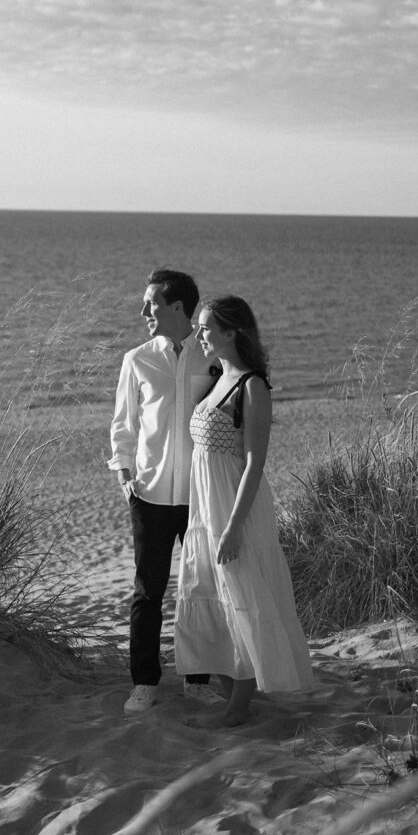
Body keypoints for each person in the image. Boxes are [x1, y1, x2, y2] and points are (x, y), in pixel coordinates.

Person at [174, 295, 314, 728]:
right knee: (204, 596)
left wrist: (233, 527)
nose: (199, 334)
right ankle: (231, 692)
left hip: (235, 508)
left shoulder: (251, 386)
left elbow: (255, 461)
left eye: (206, 328)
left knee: (242, 597)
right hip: (203, 510)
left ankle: (238, 708)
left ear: (231, 333)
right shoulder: (216, 377)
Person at [109, 267, 221, 715]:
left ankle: (197, 680)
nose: (143, 311)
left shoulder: (212, 359)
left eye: (151, 303)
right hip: (150, 495)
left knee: (200, 589)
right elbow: (124, 425)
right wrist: (124, 477)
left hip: (200, 496)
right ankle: (145, 684)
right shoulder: (137, 359)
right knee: (147, 592)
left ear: (177, 307)